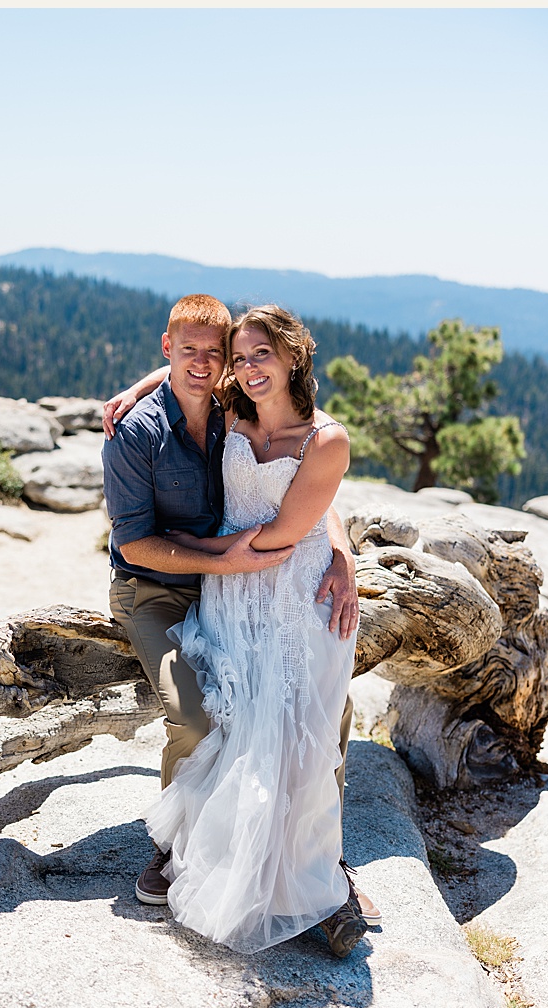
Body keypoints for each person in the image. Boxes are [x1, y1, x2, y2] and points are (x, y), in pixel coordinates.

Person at [134, 304, 370, 957]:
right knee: (231, 726)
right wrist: (134, 389)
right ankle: (208, 857)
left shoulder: (326, 439)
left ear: (295, 356)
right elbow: (186, 369)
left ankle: (308, 881)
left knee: (290, 739)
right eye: (240, 358)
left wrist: (183, 542)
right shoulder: (235, 405)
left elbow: (292, 528)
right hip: (232, 595)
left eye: (260, 355)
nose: (244, 368)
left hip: (294, 602)